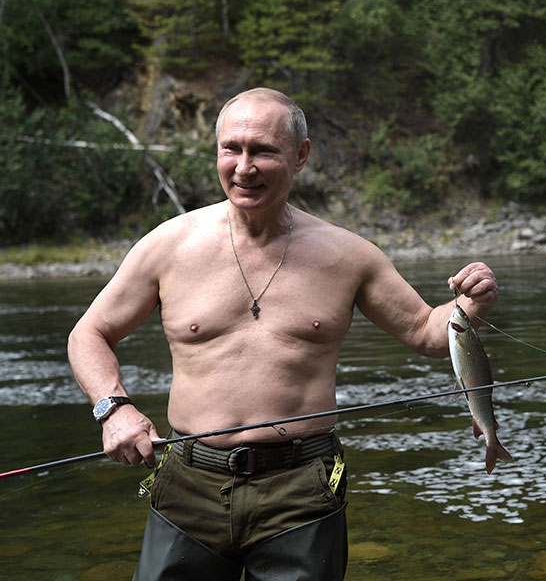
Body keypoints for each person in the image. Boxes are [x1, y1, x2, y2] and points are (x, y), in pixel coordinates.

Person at [67, 87, 498, 581]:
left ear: (301, 155)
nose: (244, 167)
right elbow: (89, 333)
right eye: (232, 149)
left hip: (302, 485)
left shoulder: (349, 255)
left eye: (263, 151)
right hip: (188, 482)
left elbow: (425, 331)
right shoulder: (168, 246)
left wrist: (471, 303)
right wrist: (113, 409)